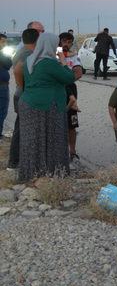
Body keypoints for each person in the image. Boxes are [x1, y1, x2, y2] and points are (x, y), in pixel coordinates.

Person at [17, 33, 76, 181]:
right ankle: (53, 174)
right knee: (53, 140)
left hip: (29, 104)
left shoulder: (31, 60)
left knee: (32, 142)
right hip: (46, 106)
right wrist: (63, 60)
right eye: (56, 45)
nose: (58, 48)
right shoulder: (49, 63)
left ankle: (31, 175)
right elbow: (69, 78)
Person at [6, 27, 40, 170]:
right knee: (22, 130)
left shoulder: (23, 51)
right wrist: (24, 87)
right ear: (36, 39)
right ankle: (15, 162)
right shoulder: (27, 53)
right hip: (25, 95)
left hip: (22, 94)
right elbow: (18, 69)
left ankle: (16, 162)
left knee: (21, 128)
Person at [59, 32, 83, 164]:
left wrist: (66, 78)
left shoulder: (73, 55)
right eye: (64, 41)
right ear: (59, 42)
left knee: (72, 125)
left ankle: (72, 152)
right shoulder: (54, 52)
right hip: (57, 91)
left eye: (69, 42)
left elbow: (78, 73)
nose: (66, 44)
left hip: (68, 87)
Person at [0, 34, 11, 141]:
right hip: (1, 87)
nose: (5, 44)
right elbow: (8, 64)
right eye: (3, 41)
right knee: (2, 111)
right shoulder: (2, 54)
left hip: (3, 85)